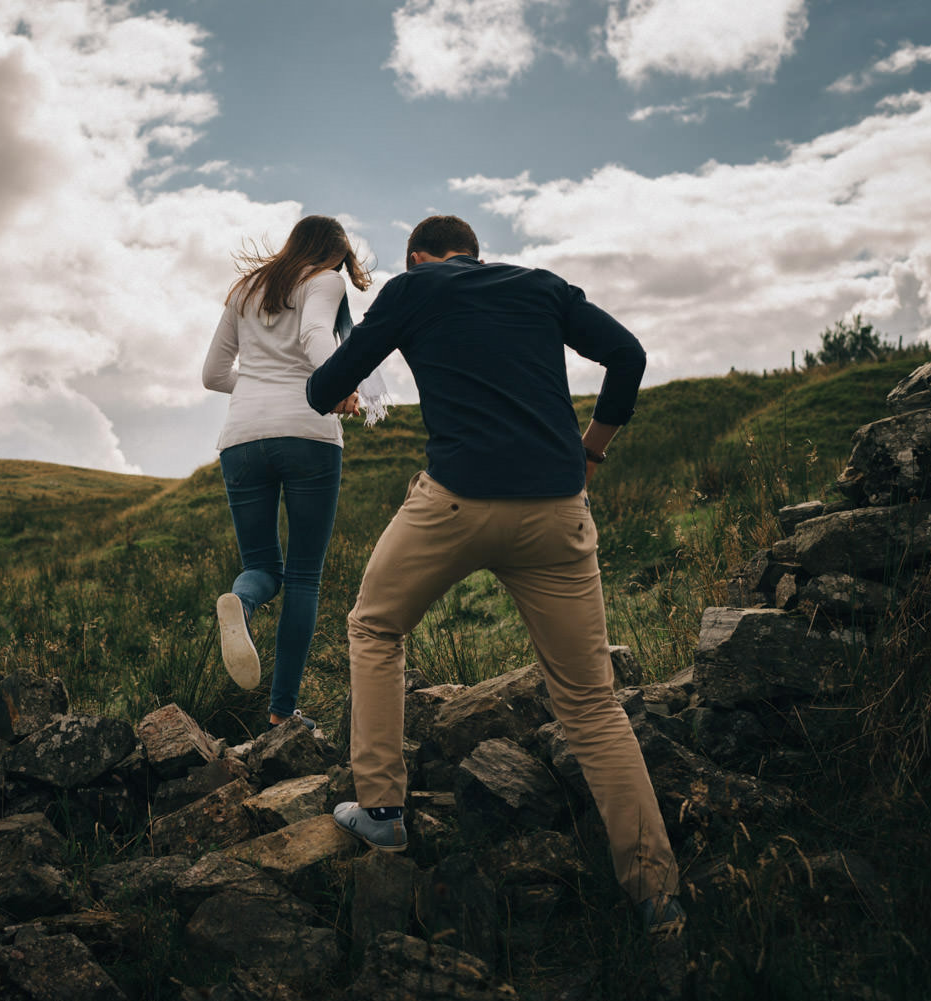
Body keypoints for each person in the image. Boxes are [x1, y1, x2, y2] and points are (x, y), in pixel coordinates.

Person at [305, 215, 683, 933]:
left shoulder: (413, 288)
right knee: (593, 706)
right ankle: (658, 897)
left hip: (454, 502)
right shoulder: (541, 288)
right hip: (557, 509)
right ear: (476, 253)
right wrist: (591, 452)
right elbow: (628, 355)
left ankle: (382, 809)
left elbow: (324, 390)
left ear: (419, 256)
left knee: (375, 624)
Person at [202, 215, 370, 730]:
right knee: (302, 577)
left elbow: (212, 375)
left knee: (262, 568)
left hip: (242, 439)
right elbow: (317, 333)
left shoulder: (245, 289)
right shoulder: (324, 280)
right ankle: (282, 712)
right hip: (307, 434)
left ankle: (244, 601)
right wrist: (339, 384)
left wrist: (257, 388)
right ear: (334, 253)